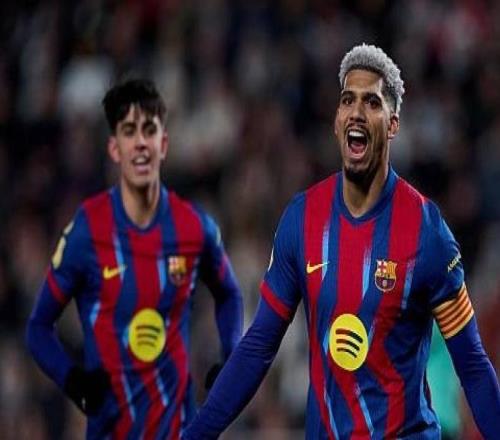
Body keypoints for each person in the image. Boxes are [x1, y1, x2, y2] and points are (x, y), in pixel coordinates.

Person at [183, 44, 500, 439]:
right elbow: (259, 346)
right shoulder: (302, 219)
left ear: (393, 125)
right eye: (348, 100)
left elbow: (472, 364)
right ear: (336, 121)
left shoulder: (428, 232)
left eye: (372, 102)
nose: (356, 111)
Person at [26, 79, 243, 439]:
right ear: (114, 148)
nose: (141, 142)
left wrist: (230, 357)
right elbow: (37, 327)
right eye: (129, 131)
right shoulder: (87, 231)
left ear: (164, 144)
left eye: (149, 130)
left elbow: (229, 294)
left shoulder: (194, 227)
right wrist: (74, 381)